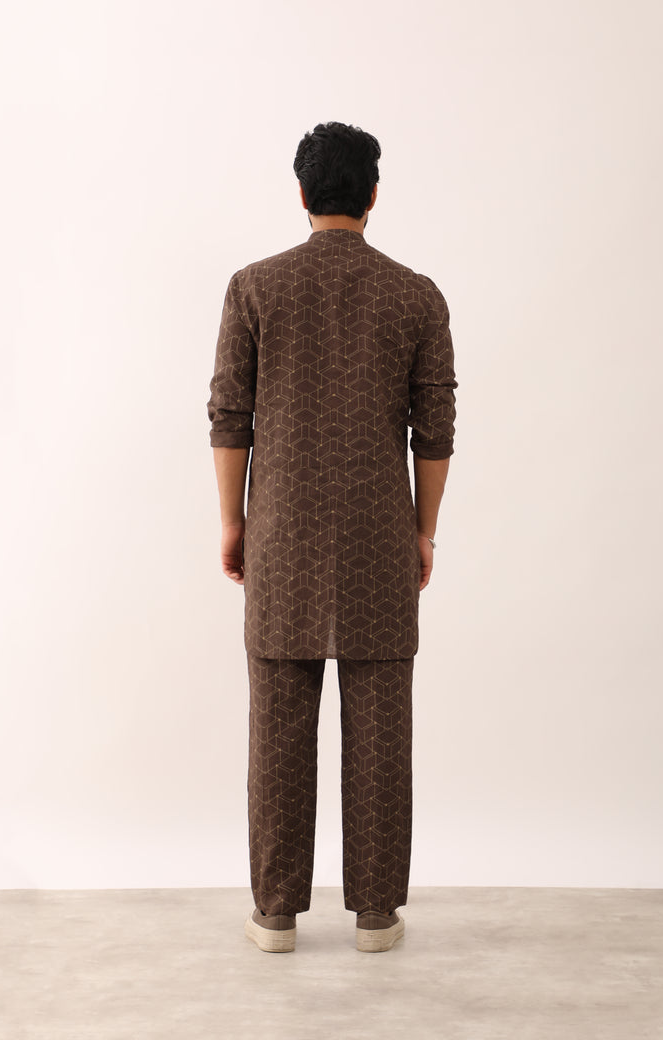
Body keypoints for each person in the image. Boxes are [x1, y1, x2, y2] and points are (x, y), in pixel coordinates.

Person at [207, 121, 457, 954]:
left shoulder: (254, 288)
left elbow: (229, 415)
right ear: (373, 195)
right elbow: (435, 430)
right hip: (380, 540)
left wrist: (234, 522)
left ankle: (275, 915)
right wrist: (423, 533)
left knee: (277, 730)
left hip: (280, 541)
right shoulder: (416, 296)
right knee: (381, 730)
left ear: (303, 194)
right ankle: (377, 917)